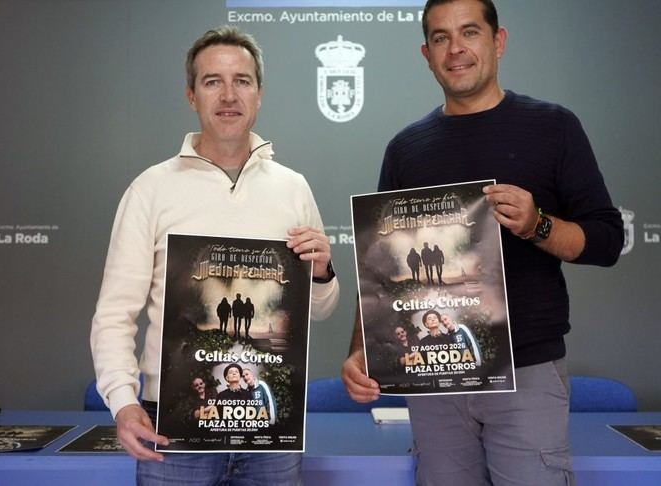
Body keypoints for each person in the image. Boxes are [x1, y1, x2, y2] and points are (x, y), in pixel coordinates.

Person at [341, 1, 623, 484]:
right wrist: (360, 349)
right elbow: (380, 268)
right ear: (427, 54)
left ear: (498, 41)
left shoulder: (553, 127)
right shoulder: (406, 149)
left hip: (526, 372)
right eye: (441, 38)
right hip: (434, 373)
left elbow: (607, 240)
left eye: (469, 32)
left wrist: (537, 224)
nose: (456, 49)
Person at [91, 25, 339, 485]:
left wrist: (322, 274)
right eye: (212, 82)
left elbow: (320, 310)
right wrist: (123, 403)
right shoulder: (151, 189)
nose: (229, 95)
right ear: (191, 96)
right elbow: (113, 314)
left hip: (268, 425)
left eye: (242, 81)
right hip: (173, 427)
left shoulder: (293, 188)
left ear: (259, 94)